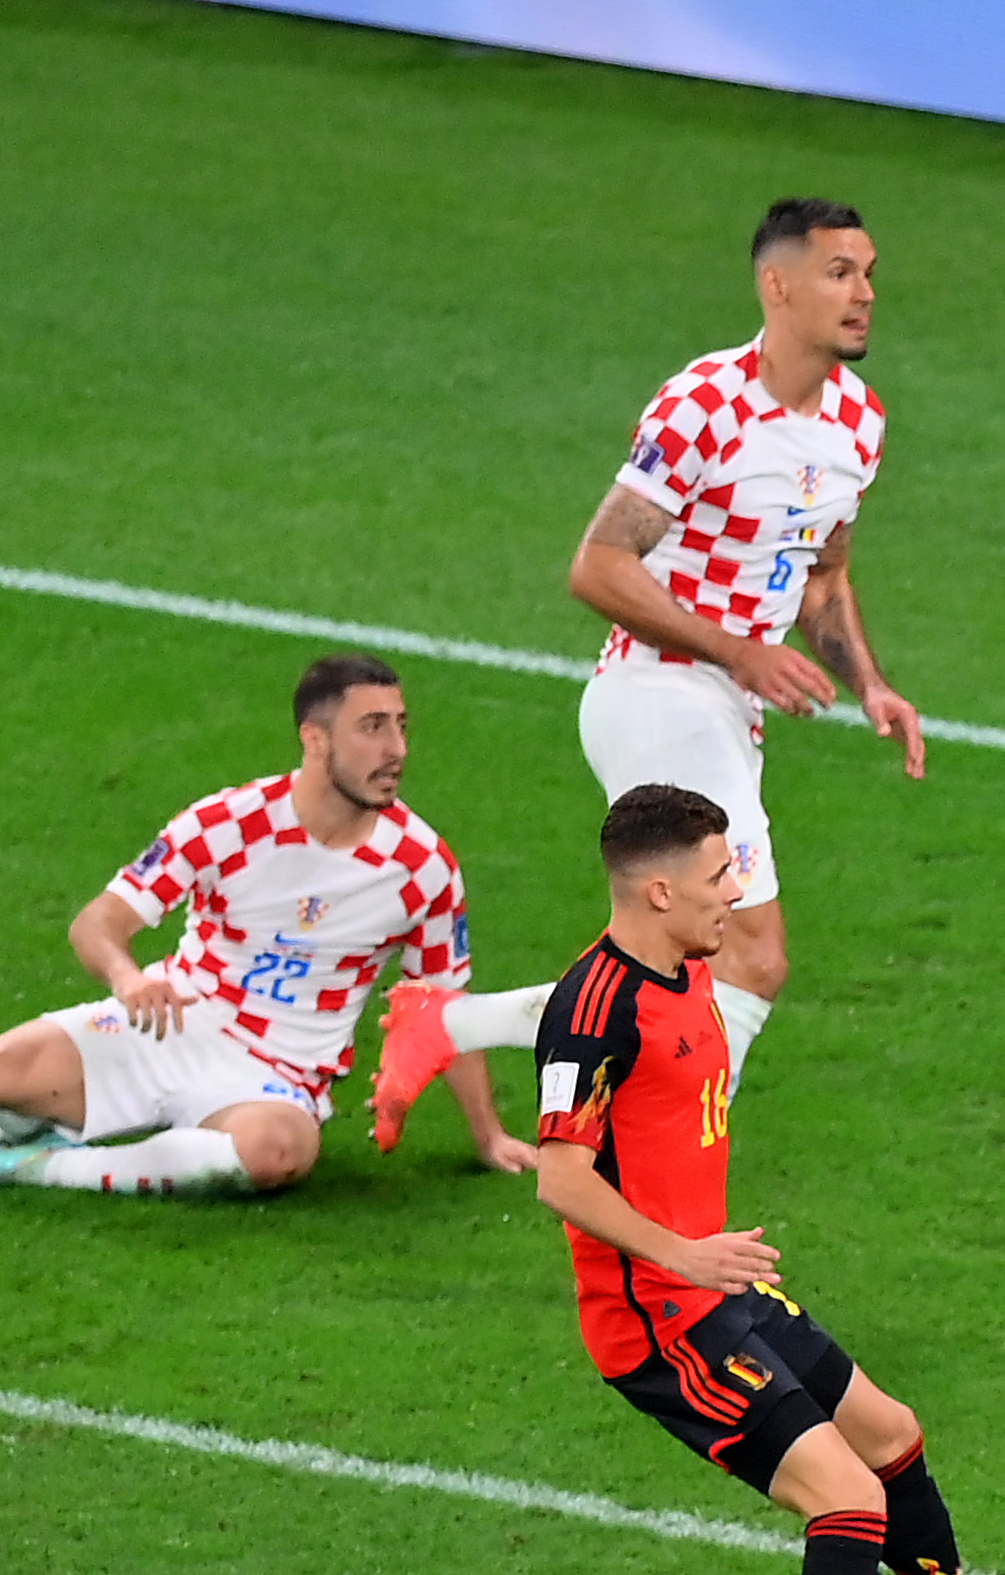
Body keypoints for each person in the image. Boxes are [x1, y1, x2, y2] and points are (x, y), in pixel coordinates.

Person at [533, 783, 1005, 1575]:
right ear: (658, 889)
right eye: (716, 876)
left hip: (722, 1284)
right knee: (847, 1500)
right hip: (659, 1318)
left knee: (889, 1435)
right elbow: (562, 1178)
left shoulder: (687, 961)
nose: (735, 890)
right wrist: (681, 1249)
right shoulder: (593, 1008)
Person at [392, 196, 931, 1137]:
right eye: (840, 273)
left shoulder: (859, 423)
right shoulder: (704, 407)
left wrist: (869, 684)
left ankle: (451, 1026)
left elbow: (822, 579)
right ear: (778, 285)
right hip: (657, 693)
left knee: (677, 957)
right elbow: (596, 565)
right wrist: (736, 650)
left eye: (870, 272)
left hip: (726, 705)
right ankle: (678, 1136)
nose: (865, 294)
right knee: (754, 953)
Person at [0, 653, 528, 1200]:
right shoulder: (229, 823)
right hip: (177, 1023)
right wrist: (128, 979)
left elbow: (443, 1008)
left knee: (275, 1154)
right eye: (373, 727)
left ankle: (37, 1167)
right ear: (315, 740)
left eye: (400, 725)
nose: (396, 748)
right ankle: (6, 1121)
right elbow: (98, 923)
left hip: (282, 1073)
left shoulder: (420, 866)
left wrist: (488, 1136)